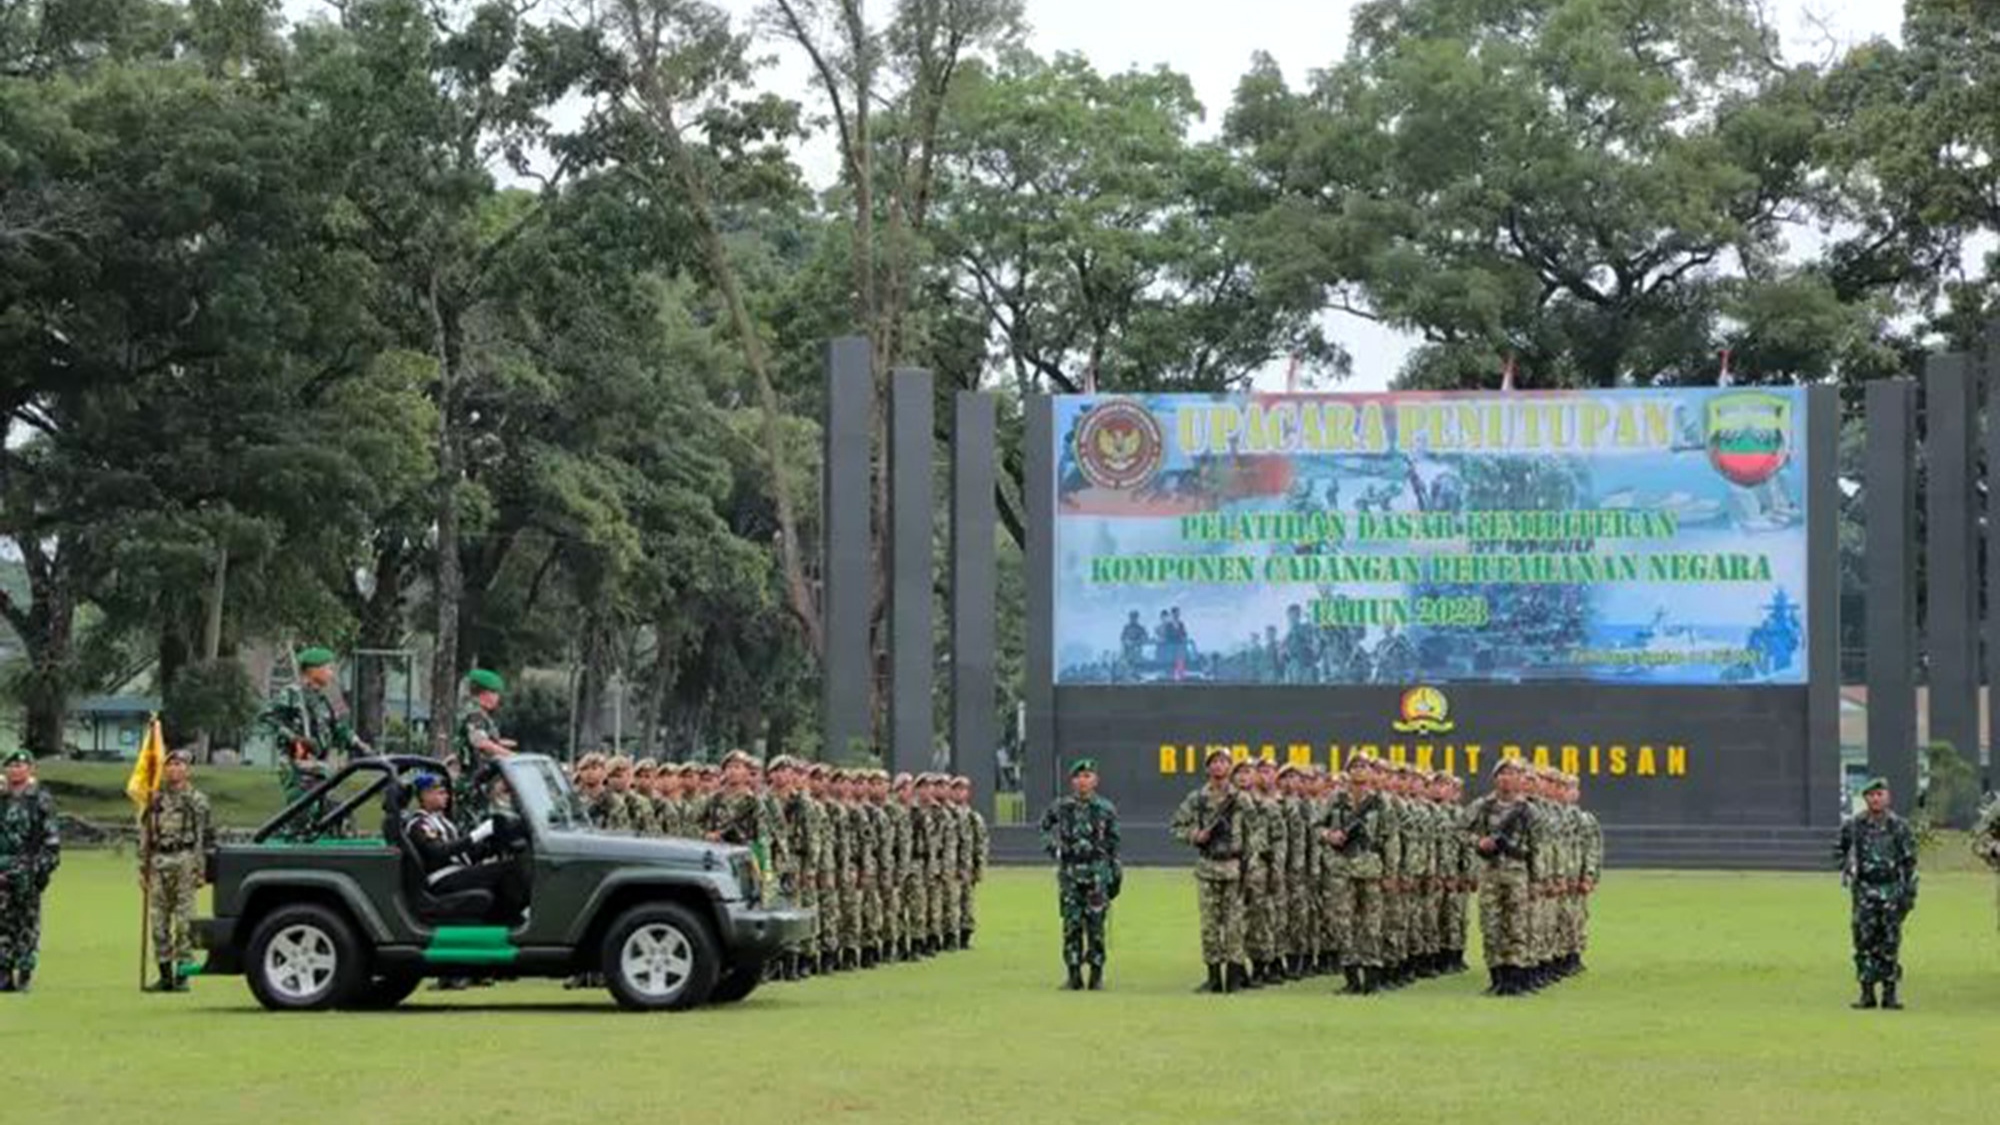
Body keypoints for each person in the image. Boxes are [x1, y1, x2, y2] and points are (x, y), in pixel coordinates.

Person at [259, 647, 369, 839]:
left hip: (319, 766)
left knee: (335, 811)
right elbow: (267, 718)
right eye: (328, 668)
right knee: (302, 809)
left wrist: (359, 744)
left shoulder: (322, 700)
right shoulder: (292, 694)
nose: (331, 673)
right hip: (297, 765)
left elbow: (339, 728)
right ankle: (289, 842)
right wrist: (294, 738)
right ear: (312, 670)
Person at [1038, 758, 1121, 991]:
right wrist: (1053, 848)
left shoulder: (1105, 808)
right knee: (1071, 924)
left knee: (1096, 925)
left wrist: (1112, 871)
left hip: (1096, 874)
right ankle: (1073, 974)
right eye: (1078, 776)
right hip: (1071, 873)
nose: (1082, 781)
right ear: (1072, 781)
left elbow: (1114, 841)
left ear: (1095, 780)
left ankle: (1096, 975)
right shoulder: (1061, 807)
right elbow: (1043, 826)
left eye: (1087, 776)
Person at [1837, 777, 1917, 1010]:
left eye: (1879, 794)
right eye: (1871, 795)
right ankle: (1867, 993)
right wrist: (1847, 867)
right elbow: (1839, 850)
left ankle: (1890, 994)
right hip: (1864, 891)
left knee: (1890, 942)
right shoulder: (1854, 825)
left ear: (1887, 797)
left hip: (1891, 890)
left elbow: (1909, 862)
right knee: (1864, 941)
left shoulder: (1899, 826)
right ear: (1865, 799)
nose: (1875, 799)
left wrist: (1908, 894)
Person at [1169, 748, 1246, 994]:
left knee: (1234, 925)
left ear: (1229, 767)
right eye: (1214, 761)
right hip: (1207, 867)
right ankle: (1213, 978)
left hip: (1234, 868)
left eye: (1223, 761)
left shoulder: (1241, 799)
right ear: (1207, 768)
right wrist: (1195, 835)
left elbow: (1258, 831)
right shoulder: (1197, 799)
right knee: (1210, 926)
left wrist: (1248, 857)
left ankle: (1233, 978)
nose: (1219, 766)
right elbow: (1176, 826)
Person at [403, 773, 527, 922]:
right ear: (425, 795)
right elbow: (439, 851)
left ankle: (506, 918)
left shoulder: (443, 822)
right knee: (508, 870)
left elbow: (464, 854)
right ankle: (509, 920)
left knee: (512, 867)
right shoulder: (419, 824)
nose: (447, 796)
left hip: (456, 873)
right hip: (442, 880)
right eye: (440, 793)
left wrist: (490, 845)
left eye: (445, 792)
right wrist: (478, 833)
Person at [143, 748, 213, 993]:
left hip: (185, 860)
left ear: (187, 770)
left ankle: (183, 975)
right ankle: (165, 975)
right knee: (158, 922)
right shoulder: (155, 800)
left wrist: (201, 870)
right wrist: (143, 867)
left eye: (179, 765)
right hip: (159, 861)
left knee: (185, 923)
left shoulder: (197, 800)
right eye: (170, 765)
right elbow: (145, 835)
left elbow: (204, 837)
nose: (174, 769)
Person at [0, 749, 60, 993]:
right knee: (3, 922)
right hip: (3, 869)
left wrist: (41, 870)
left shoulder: (40, 799)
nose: (16, 770)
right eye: (11, 766)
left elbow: (51, 839)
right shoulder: (1, 799)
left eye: (21, 766)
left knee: (27, 923)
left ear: (31, 769)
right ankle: (4, 972)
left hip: (29, 868)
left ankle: (25, 971)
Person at [454, 669, 516, 822]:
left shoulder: (480, 714)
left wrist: (500, 744)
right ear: (484, 694)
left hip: (483, 780)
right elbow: (480, 742)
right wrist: (511, 756)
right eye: (495, 693)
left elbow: (485, 739)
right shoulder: (475, 714)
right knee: (474, 824)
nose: (497, 698)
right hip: (474, 781)